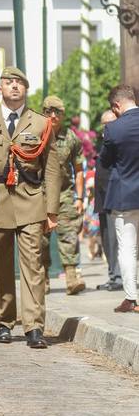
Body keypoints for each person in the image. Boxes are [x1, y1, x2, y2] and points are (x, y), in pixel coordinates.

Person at [0, 66, 60, 349]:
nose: (14, 86)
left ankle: (34, 327)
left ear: (26, 89)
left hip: (30, 201)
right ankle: (4, 321)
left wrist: (51, 210)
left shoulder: (41, 124)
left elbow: (51, 169)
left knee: (33, 265)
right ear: (0, 88)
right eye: (9, 82)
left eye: (19, 83)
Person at [40, 96, 86, 296]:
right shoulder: (36, 135)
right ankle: (43, 281)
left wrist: (79, 198)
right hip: (39, 193)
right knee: (39, 240)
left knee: (68, 234)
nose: (53, 115)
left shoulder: (71, 138)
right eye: (49, 111)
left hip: (65, 193)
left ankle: (71, 278)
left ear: (63, 114)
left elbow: (79, 170)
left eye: (57, 112)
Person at [99, 85, 139, 313]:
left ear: (116, 105)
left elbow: (104, 162)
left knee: (127, 247)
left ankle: (131, 298)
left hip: (125, 196)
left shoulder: (113, 130)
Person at [95, 110, 122, 291]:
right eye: (104, 124)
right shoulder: (104, 142)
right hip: (102, 197)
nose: (107, 128)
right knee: (106, 238)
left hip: (114, 197)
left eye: (110, 124)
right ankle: (112, 275)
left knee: (115, 239)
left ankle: (119, 277)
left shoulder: (118, 143)